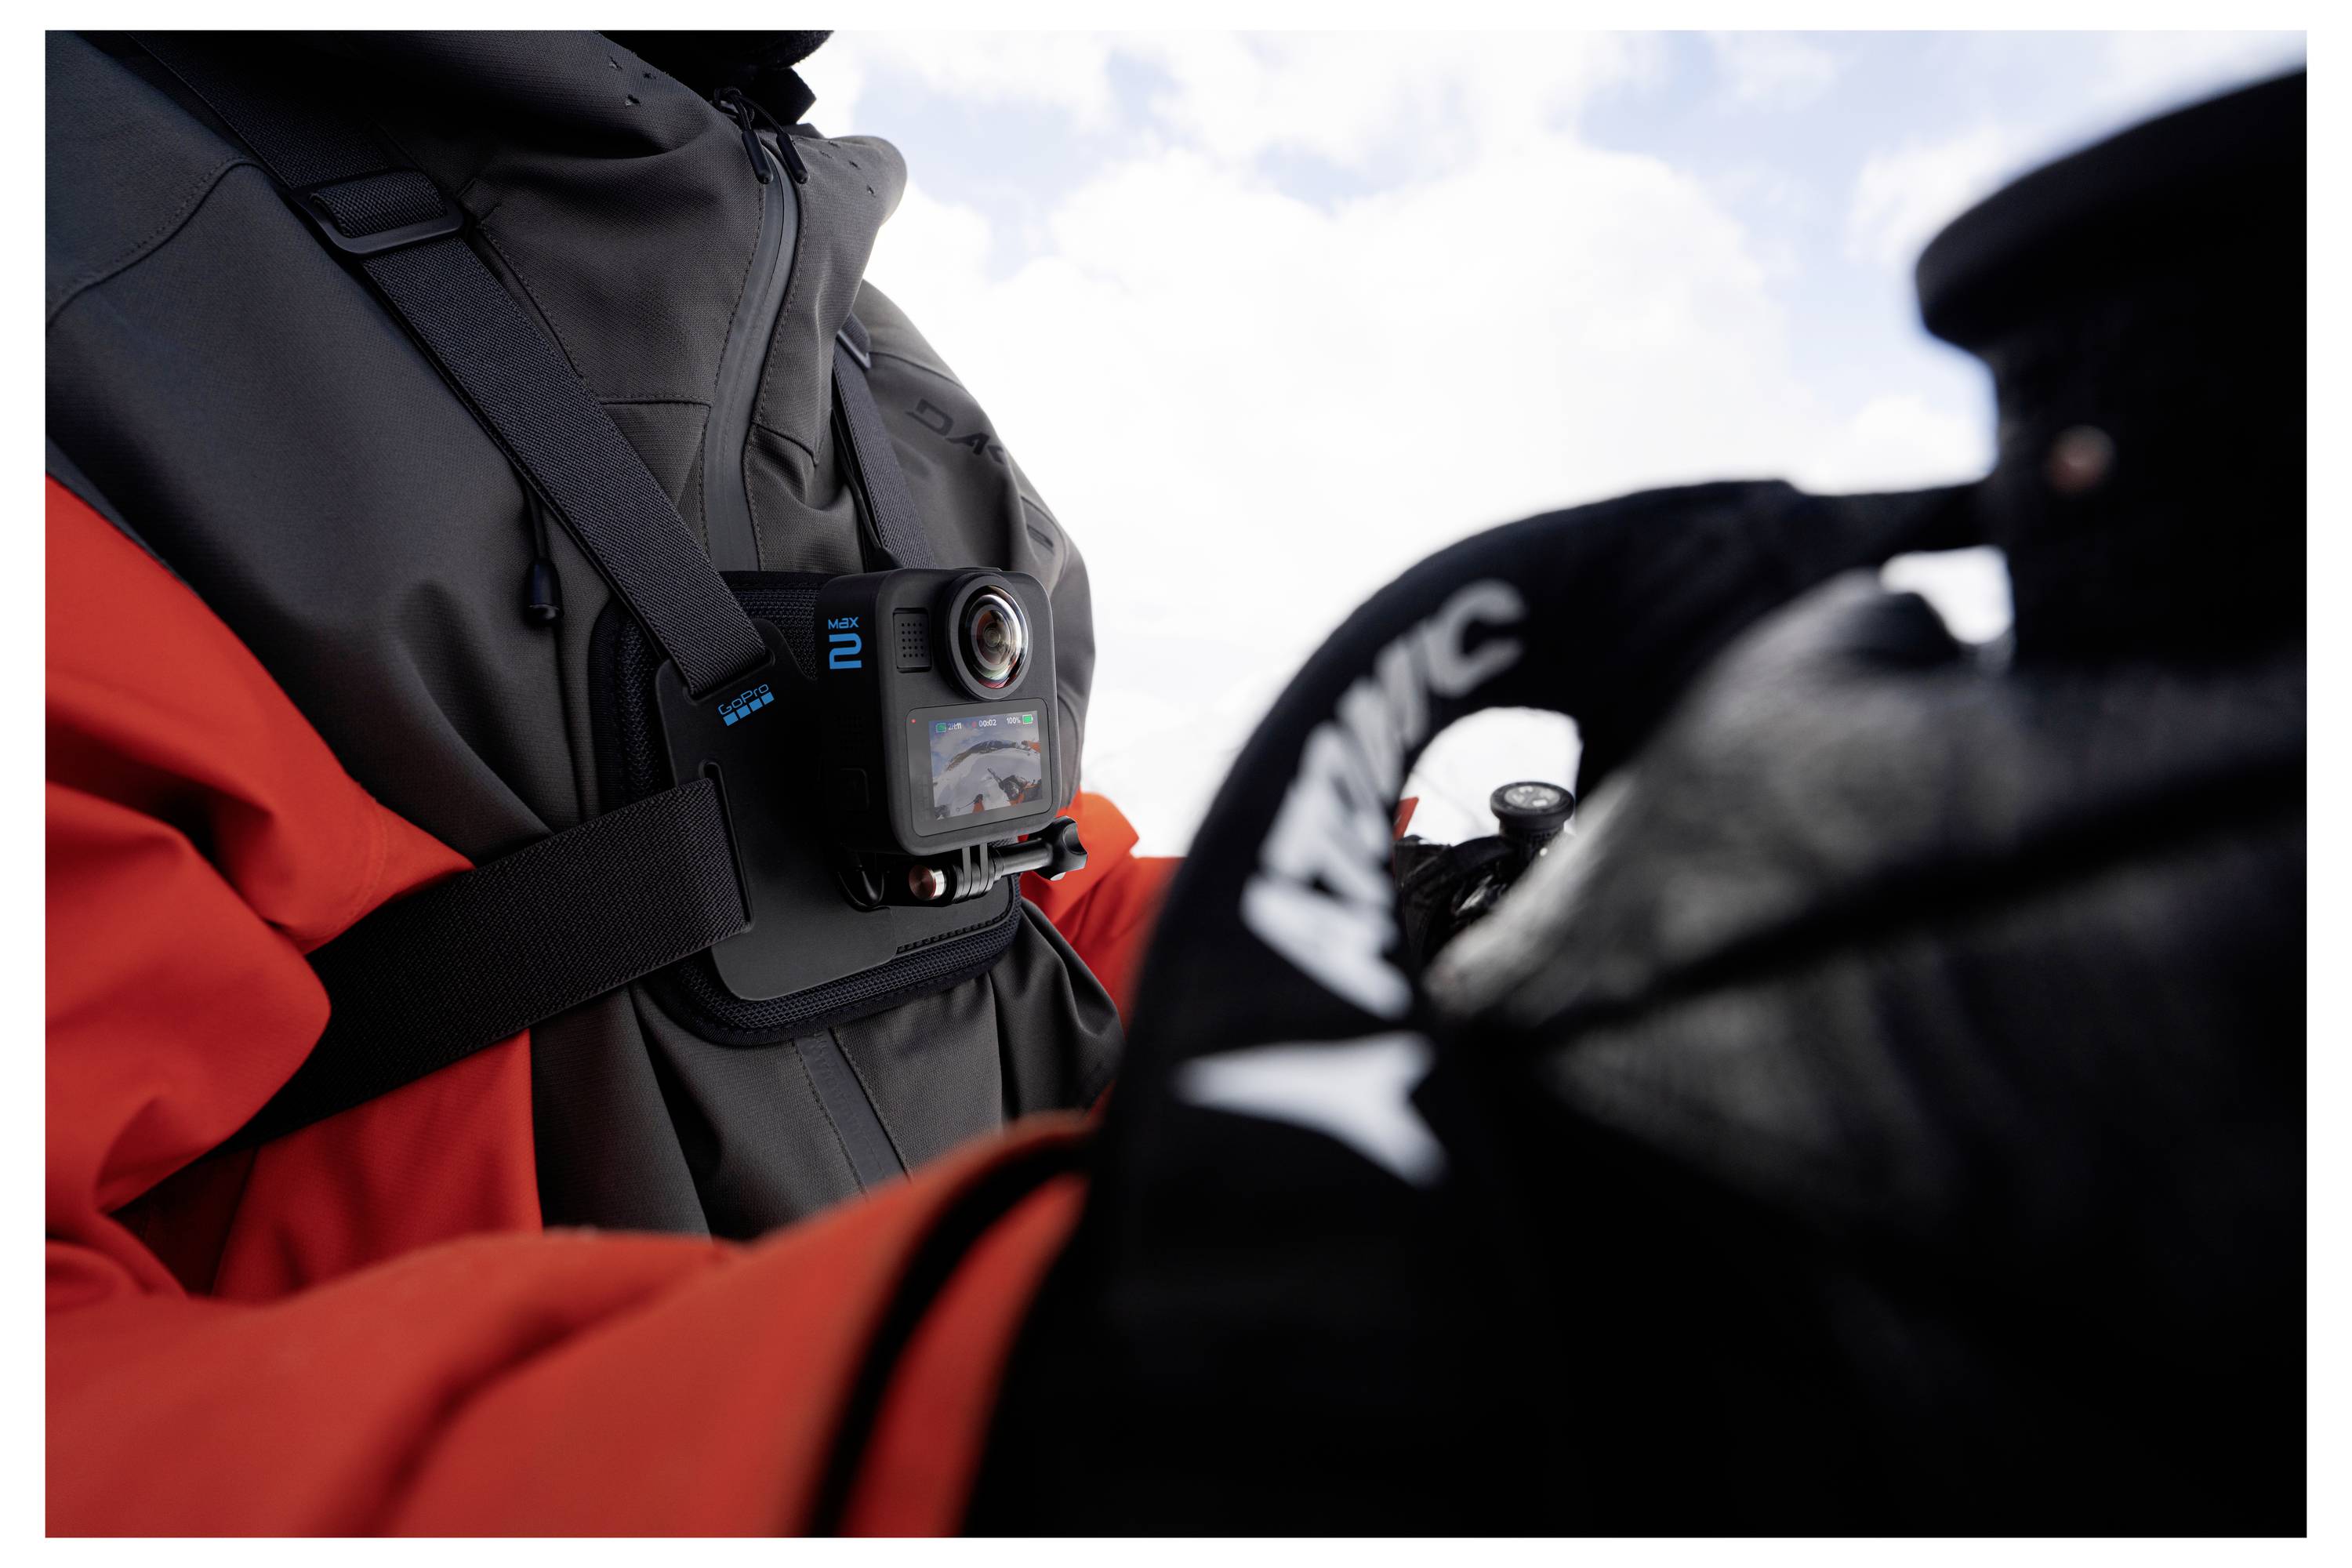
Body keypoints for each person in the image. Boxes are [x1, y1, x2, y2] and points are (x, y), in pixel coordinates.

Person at [48, 38, 2303, 1536]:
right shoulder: (90, 291)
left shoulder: (855, 344)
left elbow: (1003, 897)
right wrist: (1079, 1410)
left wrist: (1469, 922)